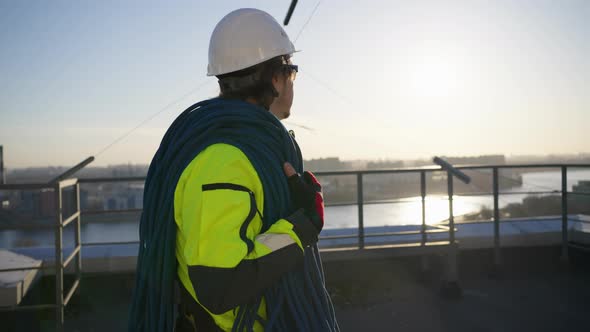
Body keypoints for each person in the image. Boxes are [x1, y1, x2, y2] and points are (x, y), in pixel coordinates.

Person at [129, 8, 338, 332]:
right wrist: (301, 226)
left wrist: (293, 205)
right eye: (292, 71)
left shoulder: (239, 151)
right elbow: (219, 283)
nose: (293, 82)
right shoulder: (224, 161)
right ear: (274, 77)